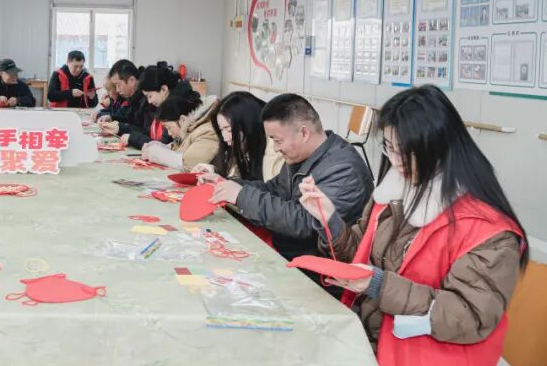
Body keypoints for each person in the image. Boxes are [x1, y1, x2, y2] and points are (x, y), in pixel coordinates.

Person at [299, 85, 526, 366]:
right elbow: (360, 255)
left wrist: (378, 285)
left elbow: (469, 316)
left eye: (406, 151)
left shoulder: (488, 231)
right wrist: (329, 219)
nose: (396, 161)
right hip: (373, 356)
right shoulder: (394, 194)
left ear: (439, 145)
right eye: (389, 148)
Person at [209, 93, 374, 264]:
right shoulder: (302, 156)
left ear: (304, 133)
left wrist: (242, 196)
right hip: (289, 251)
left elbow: (305, 223)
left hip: (316, 267)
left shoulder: (343, 170)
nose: (275, 148)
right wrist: (227, 185)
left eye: (277, 140)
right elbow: (274, 189)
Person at [192, 91, 284, 183]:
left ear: (248, 125)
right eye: (221, 130)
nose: (225, 138)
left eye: (229, 130)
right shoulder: (243, 147)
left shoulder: (274, 152)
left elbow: (267, 189)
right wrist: (213, 171)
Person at [141, 93, 219, 170]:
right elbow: (183, 149)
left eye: (169, 127)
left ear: (182, 120)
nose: (169, 133)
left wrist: (156, 153)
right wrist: (165, 147)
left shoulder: (207, 131)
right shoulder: (190, 129)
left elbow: (189, 163)